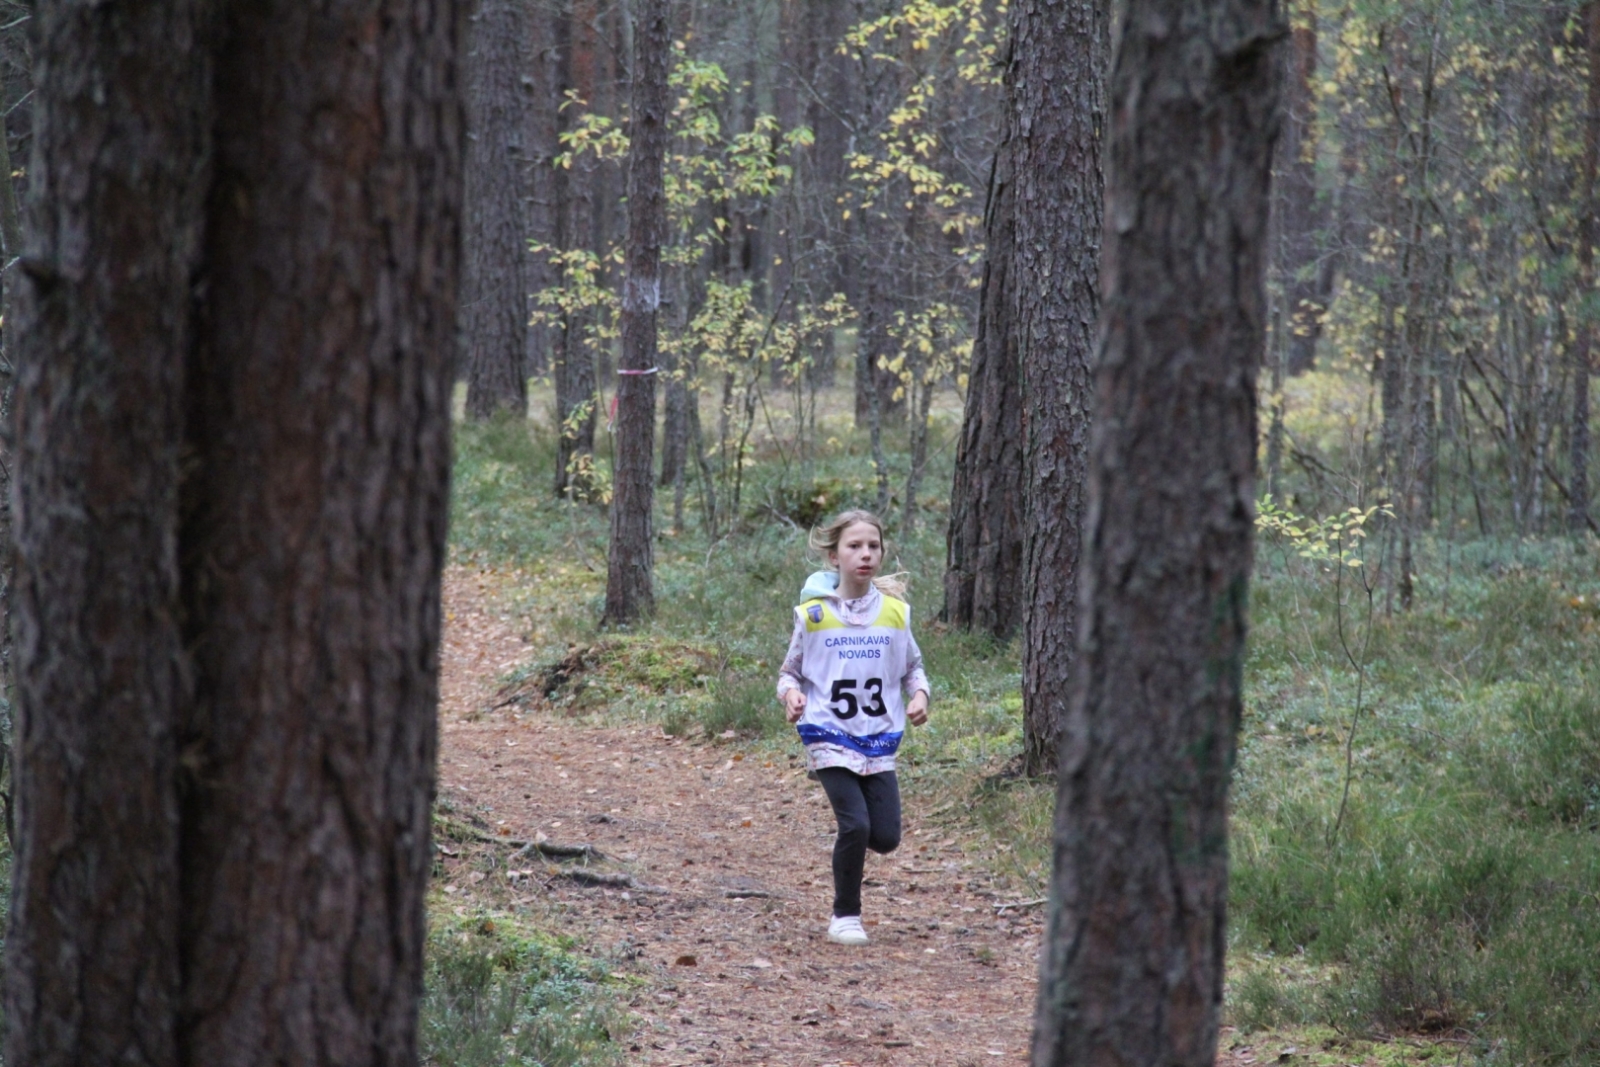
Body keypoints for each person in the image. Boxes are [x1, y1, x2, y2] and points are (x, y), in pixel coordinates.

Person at [776, 510, 930, 946]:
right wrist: (792, 698)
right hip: (826, 732)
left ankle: (848, 902)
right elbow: (789, 673)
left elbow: (913, 669)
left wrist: (920, 697)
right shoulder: (814, 615)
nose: (865, 555)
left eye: (873, 546)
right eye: (854, 546)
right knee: (856, 826)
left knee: (885, 837)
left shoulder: (896, 614)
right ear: (834, 556)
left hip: (878, 736)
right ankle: (846, 916)